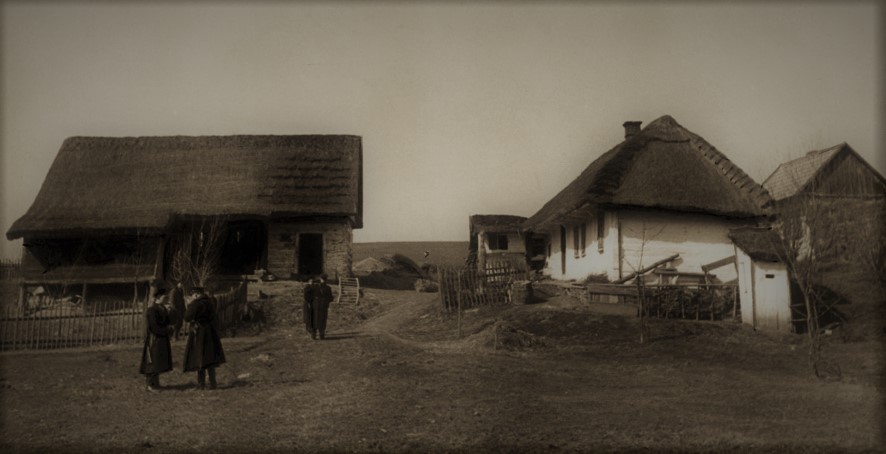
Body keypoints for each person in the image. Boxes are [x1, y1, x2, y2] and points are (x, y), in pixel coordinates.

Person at [182, 286, 226, 390]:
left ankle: (201, 384)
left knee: (199, 356)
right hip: (210, 331)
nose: (192, 297)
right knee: (210, 357)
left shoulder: (196, 304)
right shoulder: (210, 302)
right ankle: (213, 382)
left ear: (196, 294)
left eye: (193, 295)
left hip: (199, 332)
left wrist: (190, 305)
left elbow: (187, 317)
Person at [139, 288, 174, 392]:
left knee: (158, 362)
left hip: (161, 339)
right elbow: (154, 327)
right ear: (158, 297)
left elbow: (170, 321)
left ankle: (156, 383)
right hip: (154, 340)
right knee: (152, 362)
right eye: (164, 296)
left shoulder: (163, 309)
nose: (166, 298)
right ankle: (150, 385)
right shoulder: (152, 310)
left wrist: (171, 312)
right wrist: (167, 330)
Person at [312, 275, 334, 340]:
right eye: (323, 279)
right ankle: (317, 334)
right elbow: (330, 298)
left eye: (323, 279)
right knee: (319, 319)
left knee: (318, 319)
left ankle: (318, 334)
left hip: (319, 305)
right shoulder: (325, 287)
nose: (323, 281)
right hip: (319, 305)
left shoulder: (317, 286)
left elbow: (330, 297)